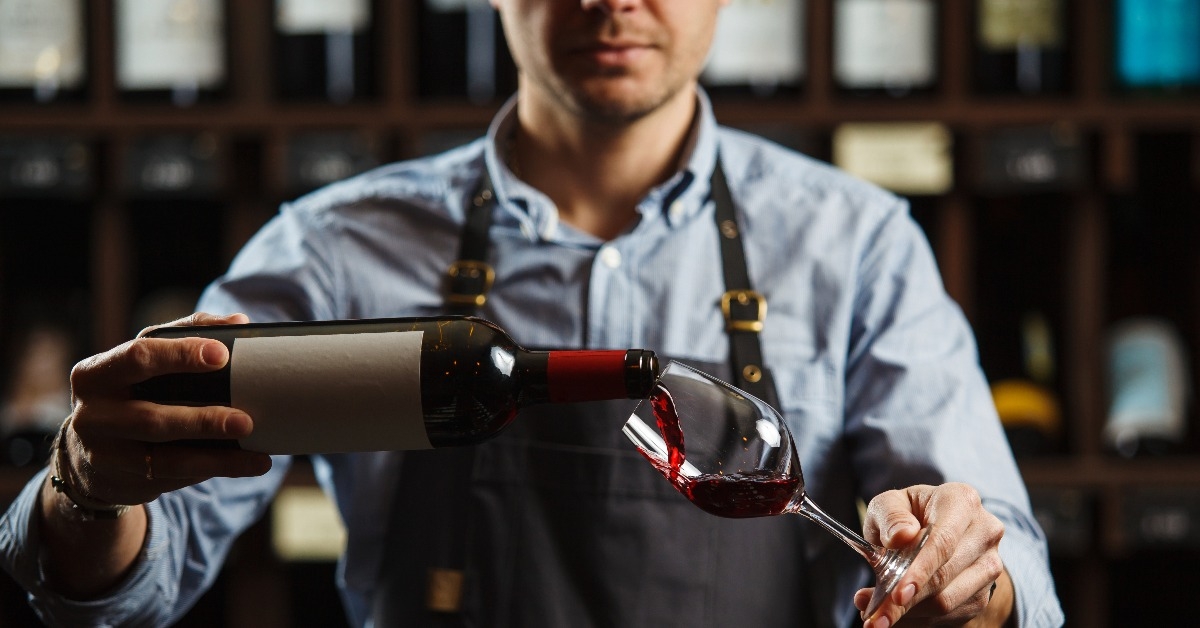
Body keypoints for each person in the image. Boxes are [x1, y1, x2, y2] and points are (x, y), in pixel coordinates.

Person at [1, 1, 1065, 627]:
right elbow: (129, 580)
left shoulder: (858, 243)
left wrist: (973, 578)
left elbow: (1006, 556)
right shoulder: (334, 247)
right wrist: (86, 495)